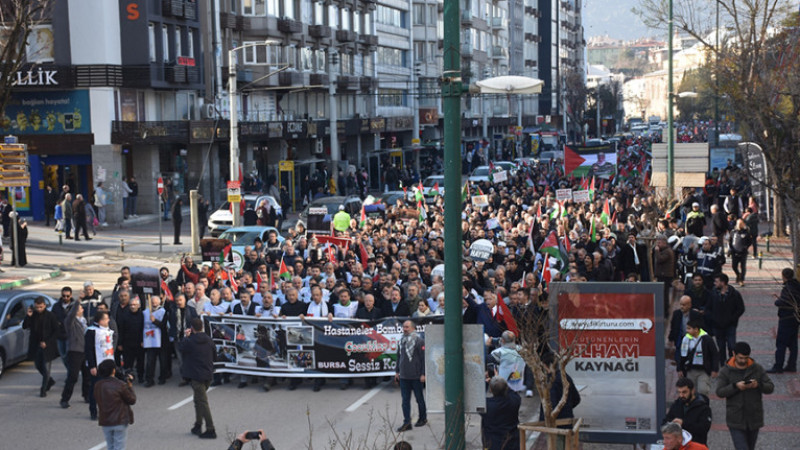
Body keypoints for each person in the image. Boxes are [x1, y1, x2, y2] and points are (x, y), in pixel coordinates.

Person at [716, 342, 774, 450]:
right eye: (740, 358)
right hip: (735, 420)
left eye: (745, 358)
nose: (743, 361)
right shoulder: (726, 371)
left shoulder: (757, 368)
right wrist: (735, 386)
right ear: (734, 354)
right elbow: (719, 392)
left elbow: (770, 387)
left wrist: (758, 385)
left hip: (754, 418)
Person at [179, 318, 217, 439]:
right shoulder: (209, 340)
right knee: (198, 400)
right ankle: (198, 424)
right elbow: (215, 356)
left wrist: (186, 336)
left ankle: (210, 429)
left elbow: (181, 348)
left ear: (192, 328)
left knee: (202, 402)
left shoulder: (190, 341)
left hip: (196, 376)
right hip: (208, 375)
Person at [21, 296, 59, 397]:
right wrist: (28, 316)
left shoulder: (50, 316)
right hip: (36, 345)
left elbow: (56, 331)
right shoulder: (33, 315)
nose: (39, 309)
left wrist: (47, 342)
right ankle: (49, 381)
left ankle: (43, 389)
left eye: (41, 307)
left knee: (45, 367)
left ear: (44, 306)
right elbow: (25, 326)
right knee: (38, 365)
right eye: (37, 307)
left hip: (47, 346)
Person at [94, 359, 136, 450]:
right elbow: (132, 400)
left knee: (110, 446)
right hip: (119, 420)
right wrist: (130, 386)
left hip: (105, 420)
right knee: (119, 447)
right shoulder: (120, 385)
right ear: (113, 370)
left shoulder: (98, 385)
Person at [706, 273, 745, 363]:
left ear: (723, 283)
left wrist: (732, 319)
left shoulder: (734, 294)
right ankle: (723, 363)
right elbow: (708, 308)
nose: (714, 283)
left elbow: (740, 308)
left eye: (716, 281)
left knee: (732, 345)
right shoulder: (713, 294)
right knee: (721, 346)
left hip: (730, 325)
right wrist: (713, 318)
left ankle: (732, 361)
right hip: (717, 325)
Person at [395, 320, 426, 432]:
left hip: (416, 376)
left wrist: (423, 373)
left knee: (419, 399)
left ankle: (423, 418)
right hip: (404, 376)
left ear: (413, 328)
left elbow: (423, 359)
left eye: (407, 327)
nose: (405, 329)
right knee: (405, 401)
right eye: (403, 327)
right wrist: (397, 372)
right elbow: (399, 357)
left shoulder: (419, 341)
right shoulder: (401, 341)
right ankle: (406, 422)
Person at [768, 267, 800, 373]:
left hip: (786, 319)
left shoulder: (788, 288)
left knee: (781, 344)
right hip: (795, 319)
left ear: (784, 276)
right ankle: (792, 365)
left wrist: (777, 300)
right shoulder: (797, 286)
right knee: (793, 344)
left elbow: (782, 302)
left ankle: (778, 366)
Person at [85, 310, 116, 420]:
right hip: (97, 365)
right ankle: (93, 411)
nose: (108, 321)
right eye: (106, 319)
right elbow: (88, 350)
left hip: (108, 363)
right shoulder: (92, 331)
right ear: (100, 321)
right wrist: (92, 366)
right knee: (96, 389)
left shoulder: (108, 331)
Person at [664, 377, 712, 446]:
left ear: (692, 391)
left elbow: (703, 429)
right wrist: (672, 423)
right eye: (679, 392)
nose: (681, 395)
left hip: (696, 445)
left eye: (684, 392)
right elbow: (665, 421)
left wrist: (683, 423)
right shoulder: (677, 405)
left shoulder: (703, 408)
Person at [678, 319, 719, 397]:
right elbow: (682, 355)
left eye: (689, 328)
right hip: (690, 369)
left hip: (703, 370)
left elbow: (714, 354)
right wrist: (679, 368)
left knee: (703, 390)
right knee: (690, 392)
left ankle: (703, 406)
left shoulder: (707, 339)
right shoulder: (686, 339)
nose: (687, 331)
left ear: (696, 329)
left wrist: (715, 369)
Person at [480, 376, 521, 450]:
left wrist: (486, 383)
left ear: (491, 390)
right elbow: (512, 392)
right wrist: (500, 381)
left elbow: (477, 399)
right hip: (512, 442)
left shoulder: (487, 406)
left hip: (493, 443)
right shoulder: (515, 400)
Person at [61, 302, 89, 408]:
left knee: (87, 375)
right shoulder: (71, 322)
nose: (80, 310)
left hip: (85, 351)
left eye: (80, 308)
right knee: (73, 376)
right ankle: (65, 398)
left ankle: (86, 395)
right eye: (78, 308)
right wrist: (78, 300)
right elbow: (71, 315)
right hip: (75, 351)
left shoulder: (84, 321)